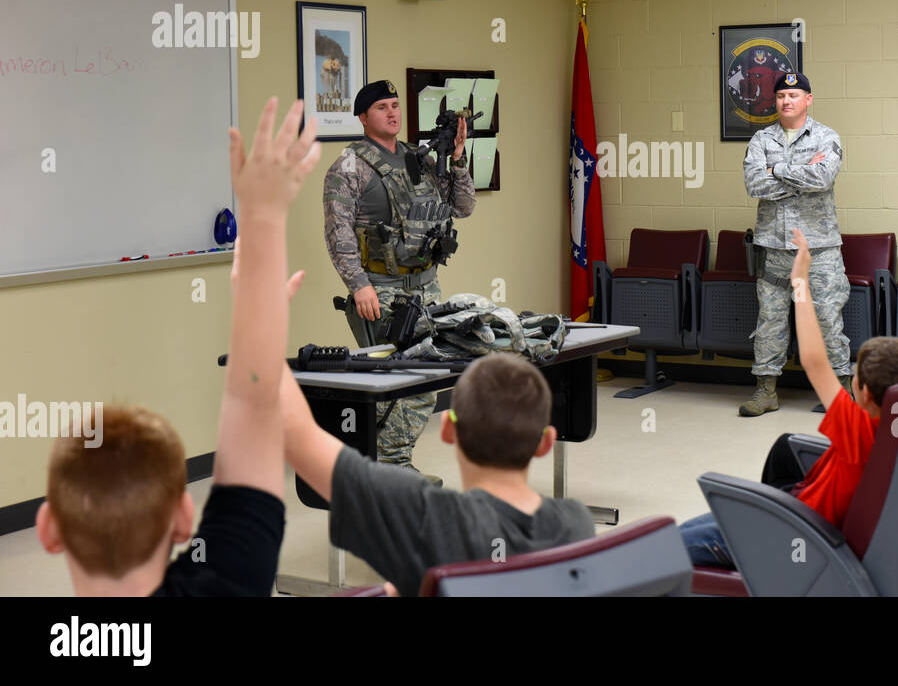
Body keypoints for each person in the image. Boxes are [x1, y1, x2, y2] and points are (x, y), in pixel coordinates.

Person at [38, 97, 320, 595]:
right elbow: (252, 402)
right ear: (184, 518)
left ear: (48, 528)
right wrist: (263, 219)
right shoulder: (227, 581)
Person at [680, 229, 898, 568]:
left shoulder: (859, 431)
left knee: (664, 545)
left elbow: (814, 360)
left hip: (791, 531)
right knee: (682, 530)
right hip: (797, 514)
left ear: (865, 392)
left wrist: (800, 282)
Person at [277, 350, 595, 597]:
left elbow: (298, 436)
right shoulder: (576, 524)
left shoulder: (422, 516)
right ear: (546, 442)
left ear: (447, 429)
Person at [323, 79, 476, 475]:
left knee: (420, 380)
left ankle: (376, 471)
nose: (392, 113)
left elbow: (462, 207)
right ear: (363, 117)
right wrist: (359, 286)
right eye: (381, 108)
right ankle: (391, 468)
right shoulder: (349, 167)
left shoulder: (419, 157)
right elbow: (337, 234)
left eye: (395, 105)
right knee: (407, 382)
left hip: (426, 285)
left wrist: (457, 157)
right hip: (382, 291)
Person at [740, 72, 850, 416]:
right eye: (781, 96)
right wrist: (798, 171)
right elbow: (755, 185)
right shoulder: (761, 139)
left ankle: (840, 392)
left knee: (827, 318)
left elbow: (823, 177)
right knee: (770, 320)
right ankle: (766, 391)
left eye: (794, 95)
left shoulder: (826, 137)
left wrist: (776, 170)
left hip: (819, 249)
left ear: (808, 99)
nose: (786, 101)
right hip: (774, 248)